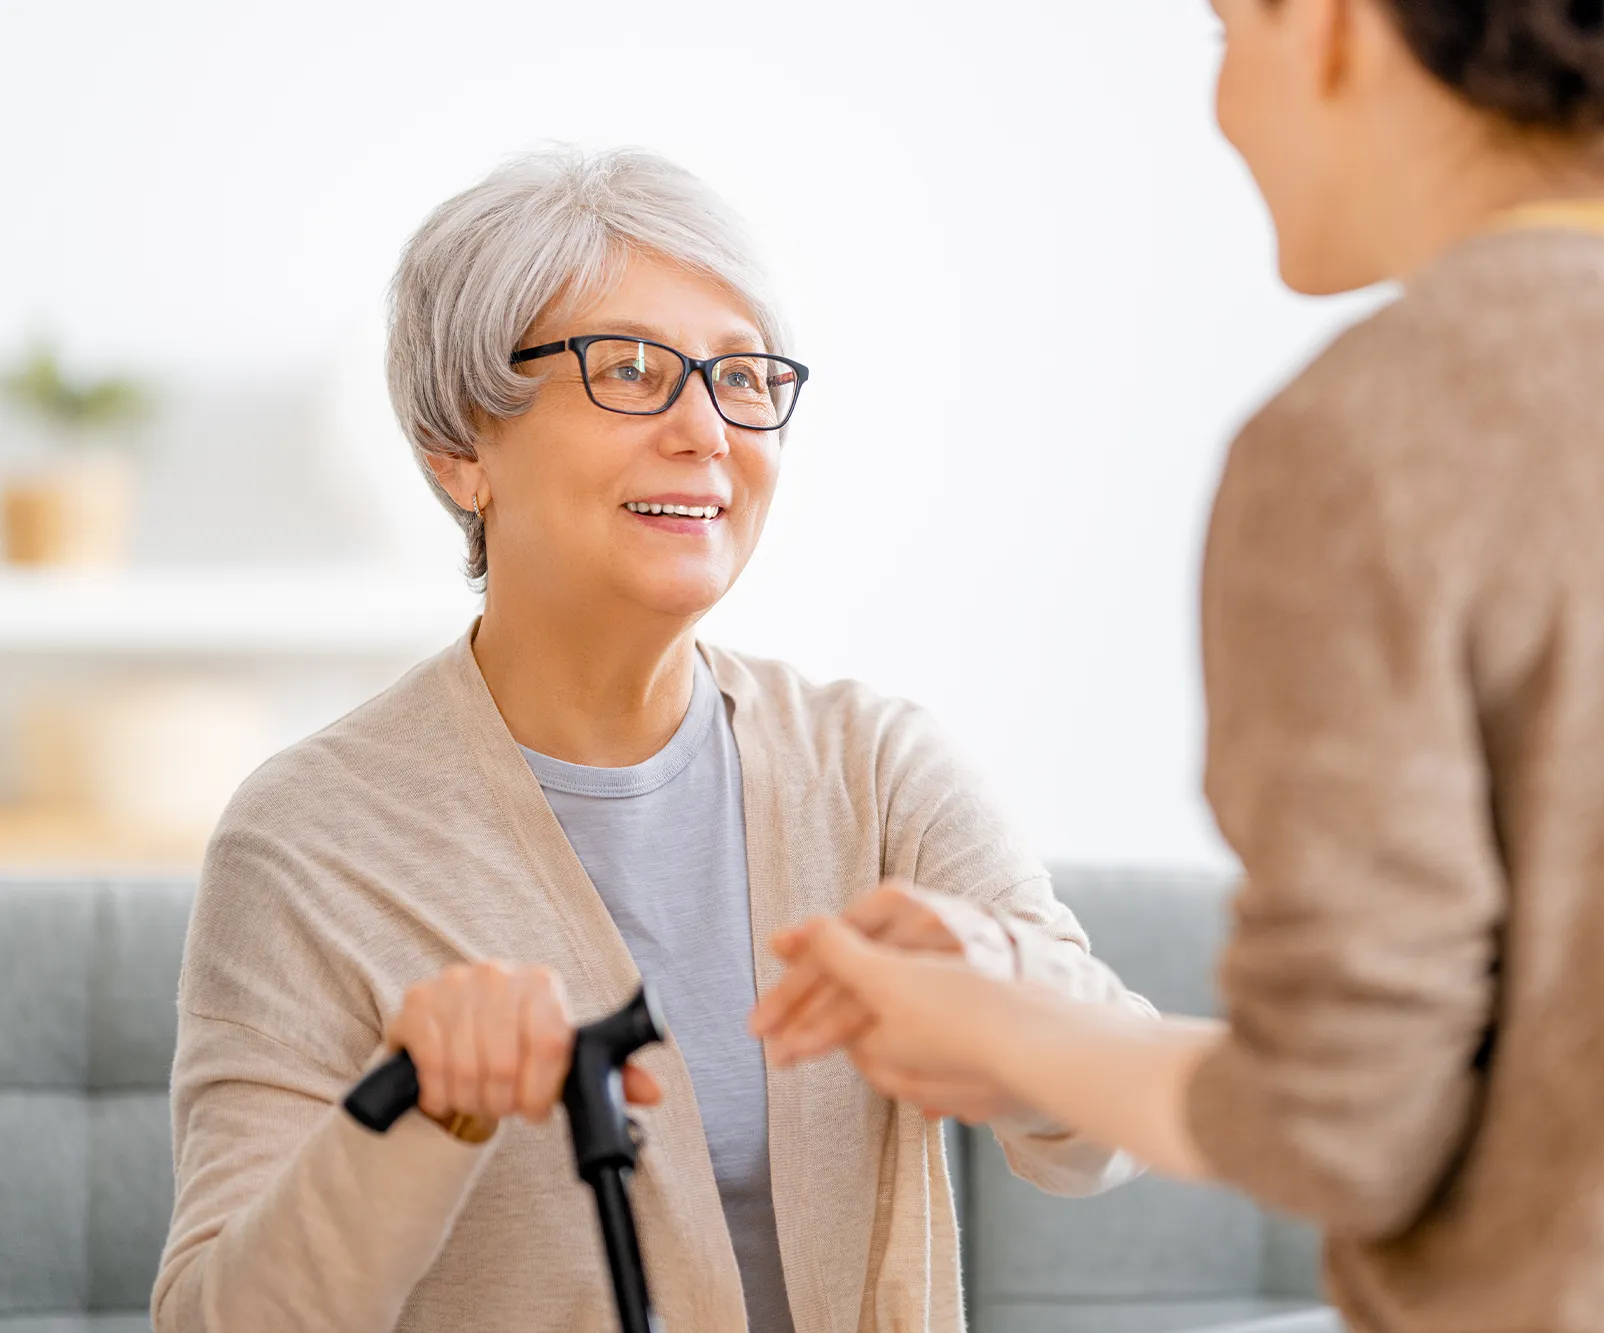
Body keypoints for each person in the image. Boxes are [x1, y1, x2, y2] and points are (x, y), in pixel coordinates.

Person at [755, 0, 1604, 1328]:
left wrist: (1000, 1033)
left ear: (1331, 25)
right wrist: (1025, 1005)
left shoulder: (1364, 430)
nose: (1224, 105)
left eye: (1226, 34)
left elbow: (1337, 1125)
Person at [152, 147, 1149, 1333]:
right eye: (629, 369)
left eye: (742, 376)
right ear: (461, 447)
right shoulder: (309, 837)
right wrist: (418, 1114)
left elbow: (1104, 1134)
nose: (706, 428)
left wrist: (1011, 990)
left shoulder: (874, 766)